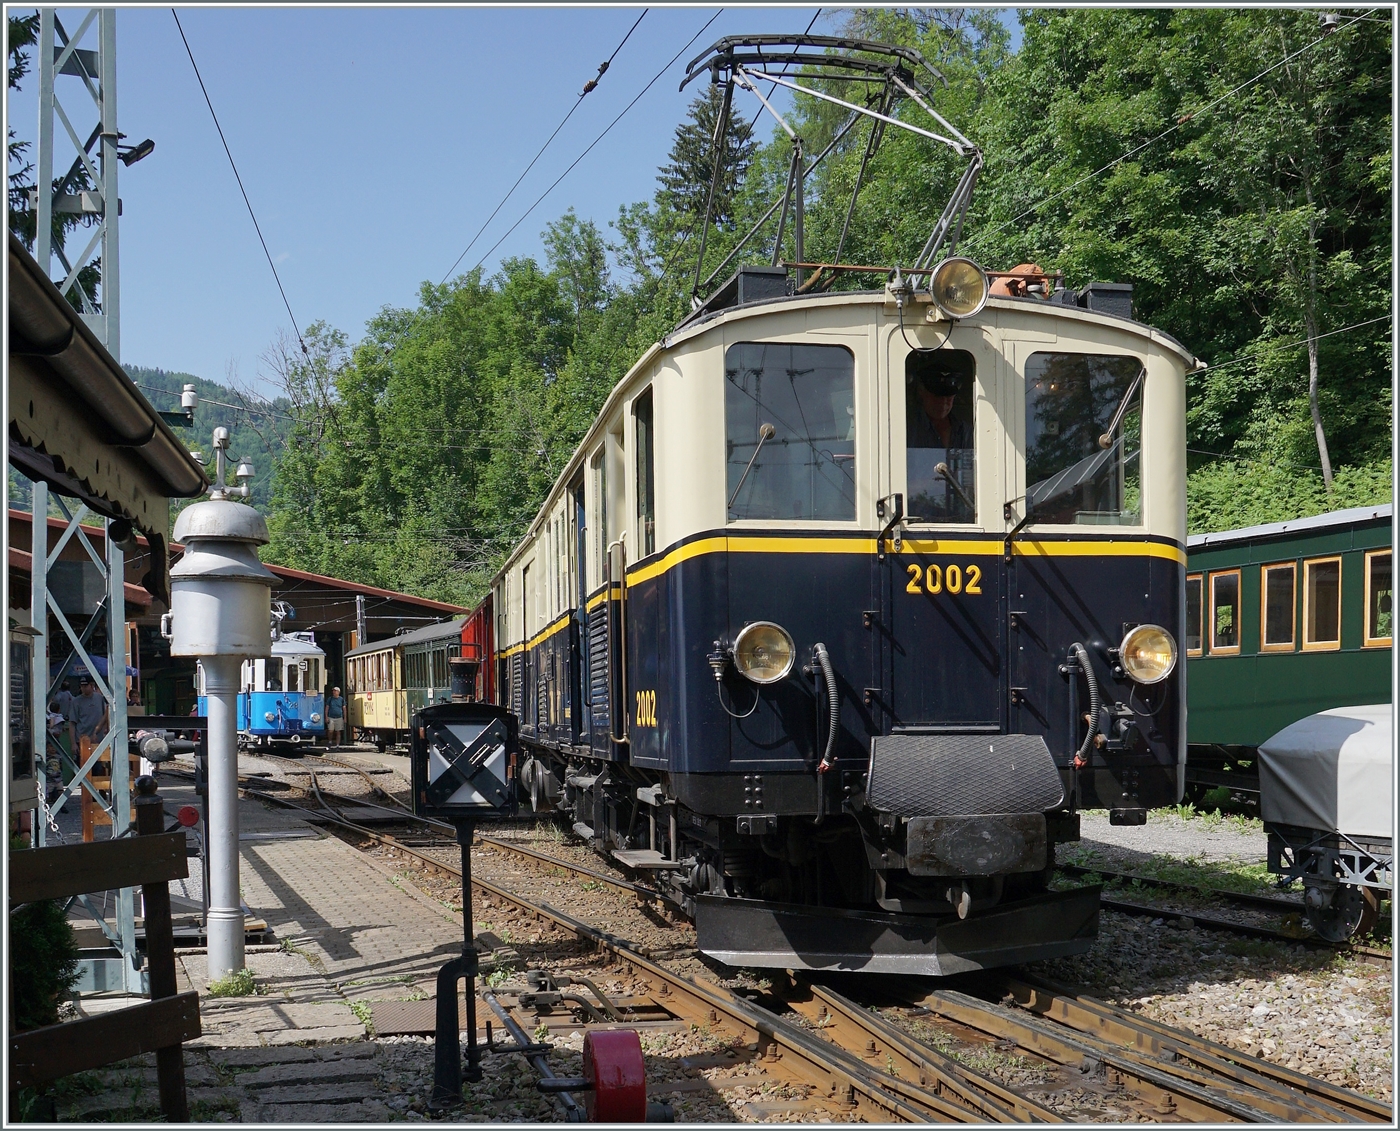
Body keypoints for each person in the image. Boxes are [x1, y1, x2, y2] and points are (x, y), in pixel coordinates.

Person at [70, 675, 109, 751]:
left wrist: (105, 732)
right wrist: (73, 743)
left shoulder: (99, 698)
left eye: (85, 686)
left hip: (98, 739)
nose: (83, 688)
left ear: (92, 685)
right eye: (81, 686)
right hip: (82, 740)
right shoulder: (76, 701)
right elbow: (72, 723)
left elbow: (105, 716)